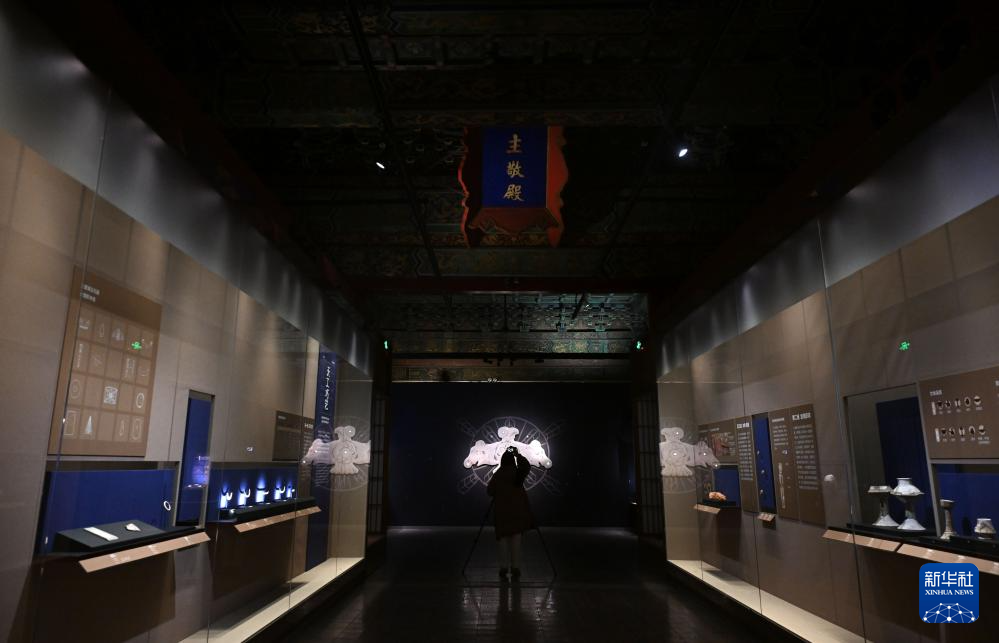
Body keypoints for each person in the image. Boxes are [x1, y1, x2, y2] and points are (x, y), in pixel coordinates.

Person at [487, 446, 533, 580]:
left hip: (501, 514)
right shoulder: (518, 473)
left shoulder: (498, 474)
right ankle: (515, 568)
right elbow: (527, 466)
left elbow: (489, 491)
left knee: (502, 541)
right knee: (516, 542)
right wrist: (518, 455)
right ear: (513, 461)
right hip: (517, 513)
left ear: (502, 461)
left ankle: (503, 568)